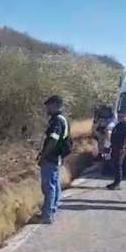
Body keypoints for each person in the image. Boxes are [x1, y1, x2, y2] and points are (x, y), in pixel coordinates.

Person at [37, 95, 70, 224]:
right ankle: (52, 210)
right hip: (56, 157)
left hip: (51, 158)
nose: (47, 108)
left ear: (55, 105)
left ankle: (47, 214)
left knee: (48, 186)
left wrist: (44, 156)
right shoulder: (62, 119)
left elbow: (52, 141)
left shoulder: (57, 121)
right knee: (54, 185)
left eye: (49, 105)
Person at [106, 111, 126, 190]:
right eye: (118, 116)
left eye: (121, 116)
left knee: (118, 165)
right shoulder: (118, 124)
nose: (119, 118)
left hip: (120, 148)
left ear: (125, 116)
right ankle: (115, 182)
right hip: (115, 147)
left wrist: (123, 146)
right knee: (114, 164)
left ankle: (117, 183)